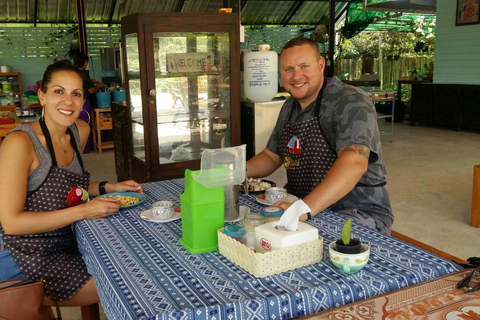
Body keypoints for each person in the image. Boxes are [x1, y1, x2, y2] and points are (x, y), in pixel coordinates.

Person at [0, 60, 143, 307]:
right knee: (124, 286)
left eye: (76, 94)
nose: (68, 102)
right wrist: (84, 211)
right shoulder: (21, 143)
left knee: (131, 259)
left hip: (66, 240)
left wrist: (109, 186)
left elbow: (66, 187)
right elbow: (11, 223)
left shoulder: (79, 131)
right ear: (42, 96)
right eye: (59, 91)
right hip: (22, 254)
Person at [246, 37, 393, 234]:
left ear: (321, 64)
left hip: (356, 209)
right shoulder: (289, 106)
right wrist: (232, 171)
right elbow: (271, 156)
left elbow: (354, 162)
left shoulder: (351, 101)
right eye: (288, 69)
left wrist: (303, 209)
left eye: (304, 66)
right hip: (302, 205)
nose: (296, 76)